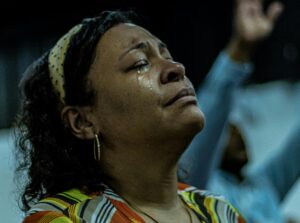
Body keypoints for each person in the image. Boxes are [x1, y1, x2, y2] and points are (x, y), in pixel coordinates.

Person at [15, 10, 246, 223]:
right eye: (140, 64)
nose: (176, 68)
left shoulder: (221, 212)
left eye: (168, 55)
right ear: (83, 121)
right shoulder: (67, 218)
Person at [178, 0, 300, 222]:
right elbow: (210, 119)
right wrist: (240, 48)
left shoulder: (264, 185)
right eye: (229, 130)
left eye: (239, 129)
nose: (239, 134)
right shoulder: (200, 188)